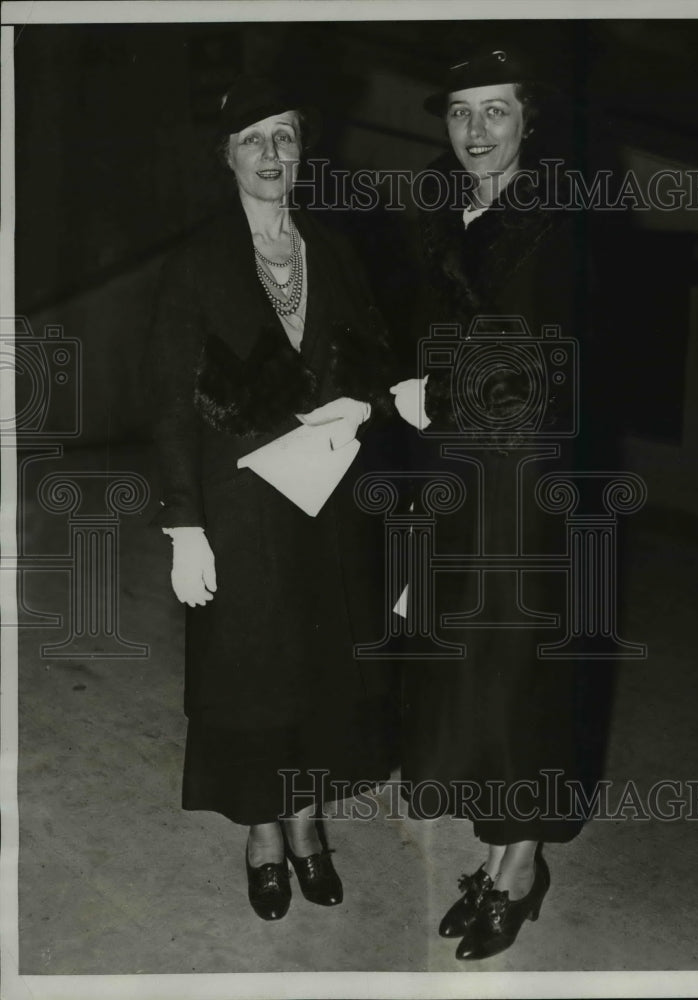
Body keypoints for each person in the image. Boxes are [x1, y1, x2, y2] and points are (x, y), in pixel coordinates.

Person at [147, 75, 399, 922]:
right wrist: (184, 525)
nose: (270, 154)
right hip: (239, 503)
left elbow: (374, 358)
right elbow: (168, 399)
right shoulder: (195, 261)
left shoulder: (332, 248)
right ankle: (262, 835)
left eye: (284, 136)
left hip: (328, 500)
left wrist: (364, 399)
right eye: (252, 138)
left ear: (302, 152)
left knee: (317, 671)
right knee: (250, 672)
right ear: (226, 156)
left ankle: (305, 823)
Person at [391, 48, 606, 961]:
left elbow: (549, 365)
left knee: (522, 678)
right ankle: (493, 848)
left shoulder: (561, 216)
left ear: (530, 122)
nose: (474, 132)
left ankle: (518, 864)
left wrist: (434, 396)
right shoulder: (437, 206)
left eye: (496, 113)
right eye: (460, 113)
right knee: (464, 677)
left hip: (526, 486)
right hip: (449, 484)